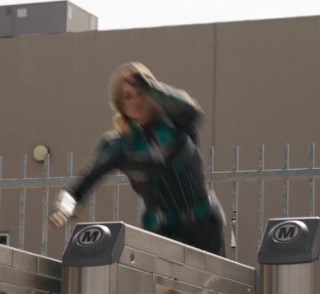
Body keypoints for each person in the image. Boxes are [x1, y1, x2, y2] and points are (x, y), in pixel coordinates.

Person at [50, 62, 225, 256]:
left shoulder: (177, 124)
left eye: (140, 92)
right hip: (162, 232)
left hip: (204, 227)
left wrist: (151, 86)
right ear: (120, 104)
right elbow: (81, 184)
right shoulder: (118, 145)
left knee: (212, 285)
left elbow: (192, 110)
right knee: (162, 286)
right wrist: (65, 208)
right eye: (127, 96)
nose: (135, 100)